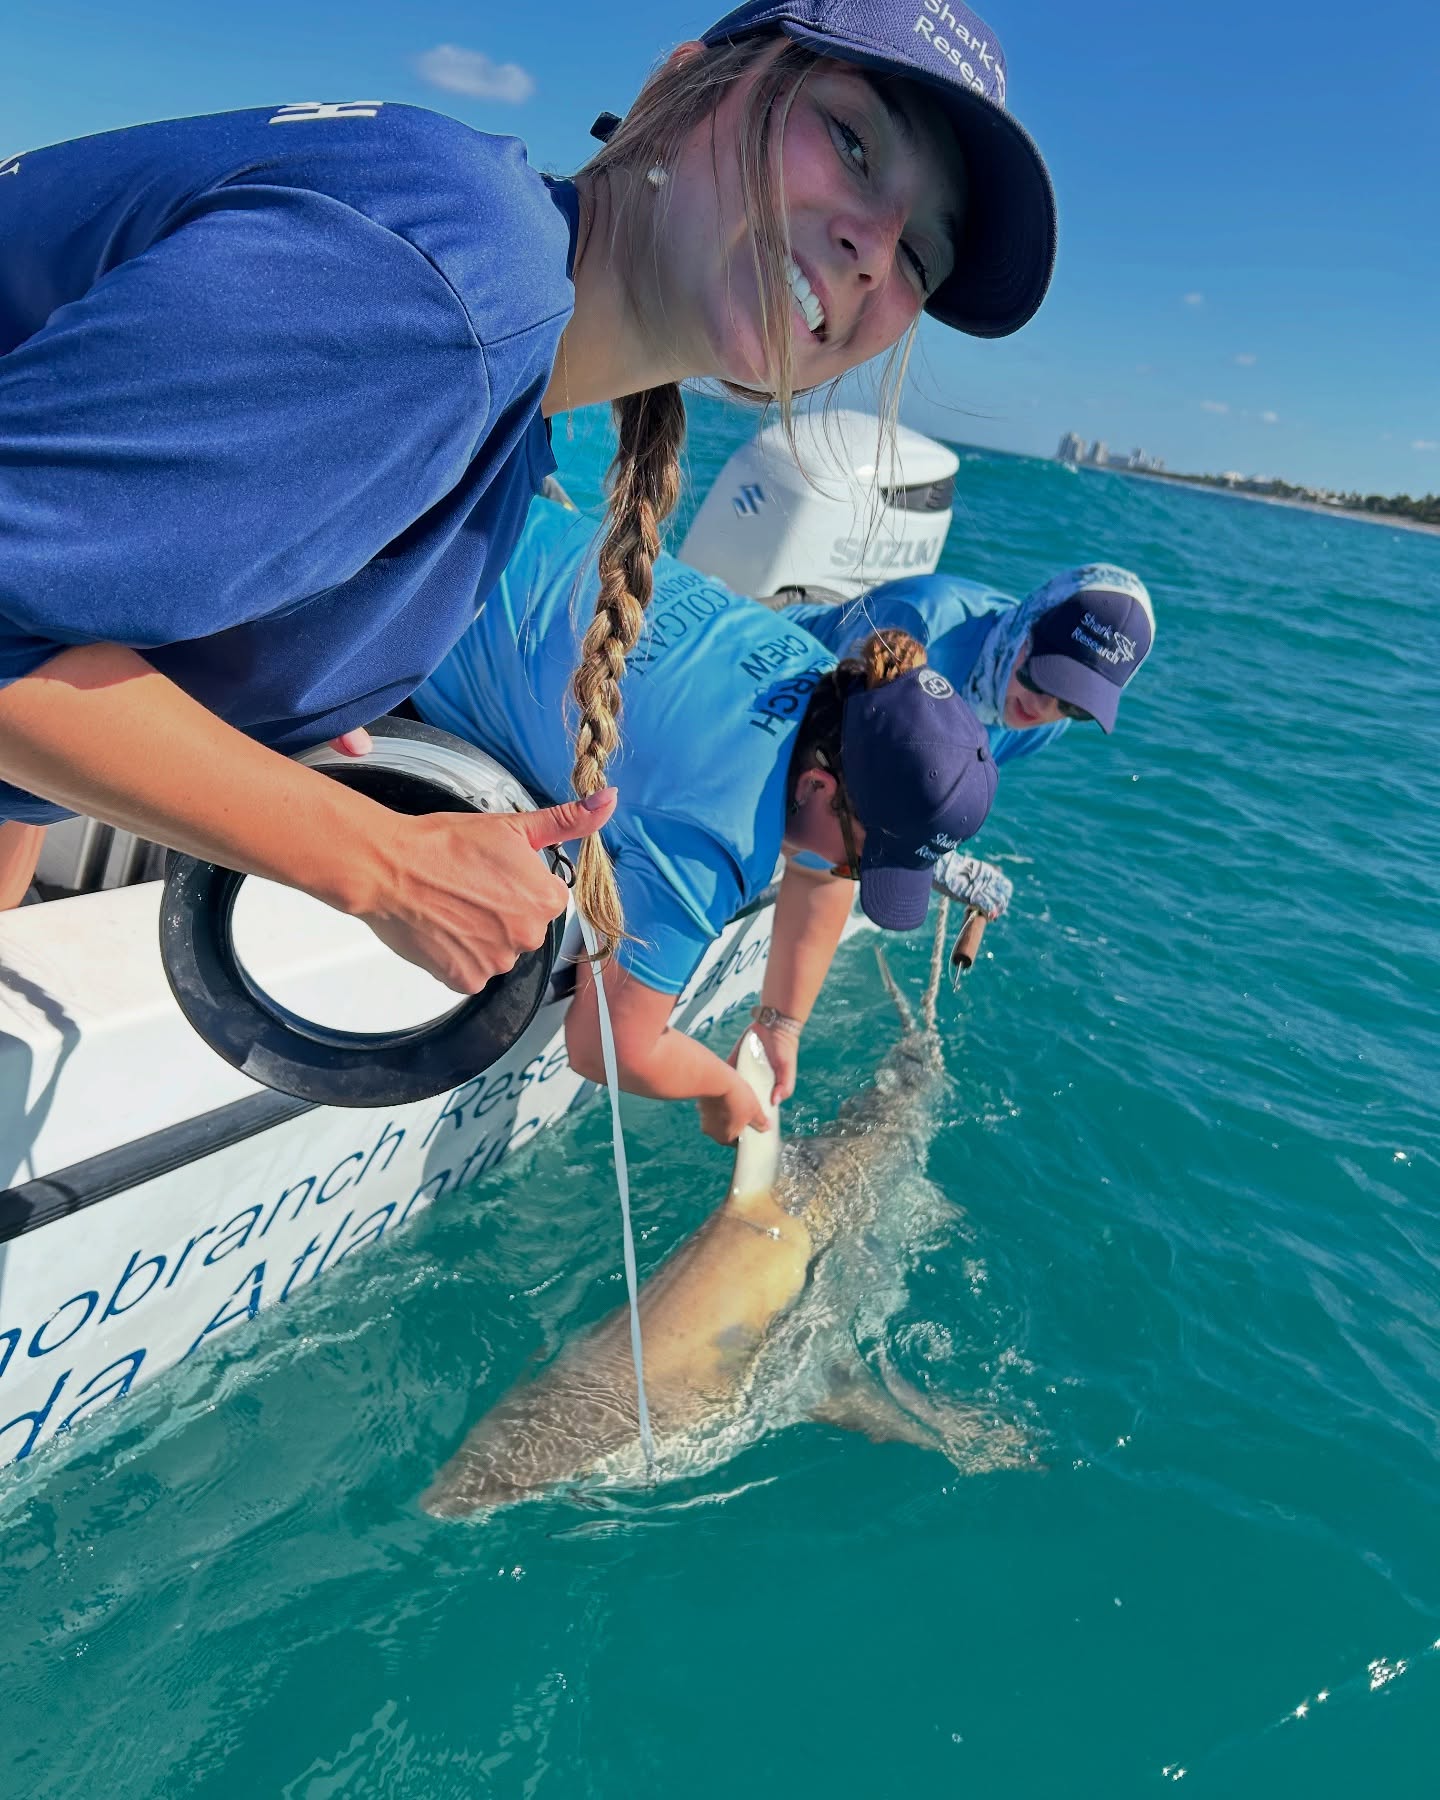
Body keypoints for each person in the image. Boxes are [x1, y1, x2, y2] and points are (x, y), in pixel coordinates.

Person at [0, 2, 1056, 978]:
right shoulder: (453, 288)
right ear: (677, 97)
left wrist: (284, 691)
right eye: (852, 141)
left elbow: (61, 587)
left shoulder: (504, 411)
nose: (875, 248)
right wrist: (375, 860)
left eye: (921, 253)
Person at [413, 500, 997, 1141]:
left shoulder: (823, 674)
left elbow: (816, 859)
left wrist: (780, 1024)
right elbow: (608, 1046)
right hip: (394, 613)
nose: (850, 877)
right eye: (863, 862)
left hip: (473, 508)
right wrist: (723, 1089)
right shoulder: (717, 839)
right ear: (816, 785)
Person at [785, 563, 1155, 918]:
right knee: (820, 862)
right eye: (1042, 677)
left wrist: (925, 852)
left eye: (1073, 702)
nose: (1044, 707)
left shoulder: (1044, 723)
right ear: (1027, 628)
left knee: (829, 866)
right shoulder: (922, 623)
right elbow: (817, 749)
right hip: (788, 705)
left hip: (838, 786)